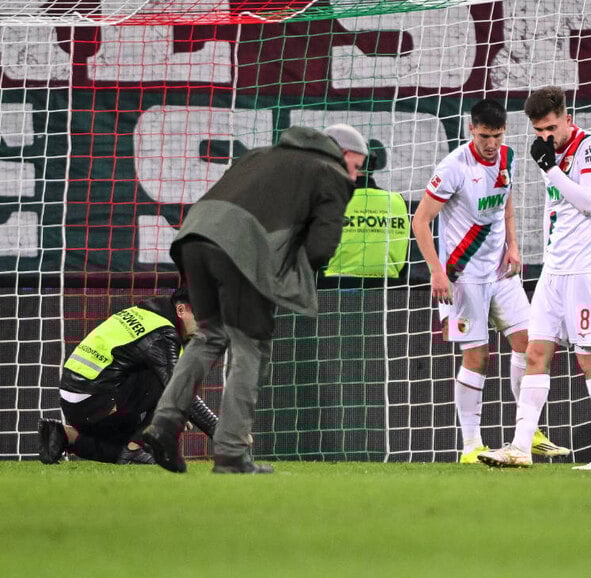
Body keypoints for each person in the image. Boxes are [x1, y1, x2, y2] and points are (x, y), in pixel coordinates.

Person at [142, 124, 362, 474]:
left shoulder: (261, 154)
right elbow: (322, 248)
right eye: (358, 163)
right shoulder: (330, 172)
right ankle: (231, 453)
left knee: (209, 335)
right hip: (241, 250)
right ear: (343, 153)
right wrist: (287, 273)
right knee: (251, 346)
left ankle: (163, 426)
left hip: (193, 236)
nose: (358, 173)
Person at [477, 86, 591, 471]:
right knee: (534, 352)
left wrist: (551, 169)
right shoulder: (554, 154)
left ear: (566, 117)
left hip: (587, 271)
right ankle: (520, 447)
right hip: (555, 270)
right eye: (538, 130)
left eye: (551, 127)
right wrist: (552, 164)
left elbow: (589, 202)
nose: (545, 136)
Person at [412, 98, 569, 463]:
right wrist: (436, 270)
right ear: (471, 130)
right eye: (484, 136)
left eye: (497, 136)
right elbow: (420, 221)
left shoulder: (508, 157)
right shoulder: (453, 168)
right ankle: (471, 446)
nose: (491, 144)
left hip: (501, 272)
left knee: (531, 344)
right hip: (464, 276)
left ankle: (526, 434)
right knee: (477, 357)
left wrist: (513, 244)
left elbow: (506, 199)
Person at [37, 287, 218, 465]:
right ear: (181, 310)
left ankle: (64, 436)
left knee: (123, 449)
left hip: (77, 399)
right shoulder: (162, 334)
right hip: (96, 401)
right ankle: (135, 448)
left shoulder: (145, 314)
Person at [324, 135, 409, 279]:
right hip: (388, 291)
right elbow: (405, 258)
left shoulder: (332, 200)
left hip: (334, 290)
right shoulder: (397, 201)